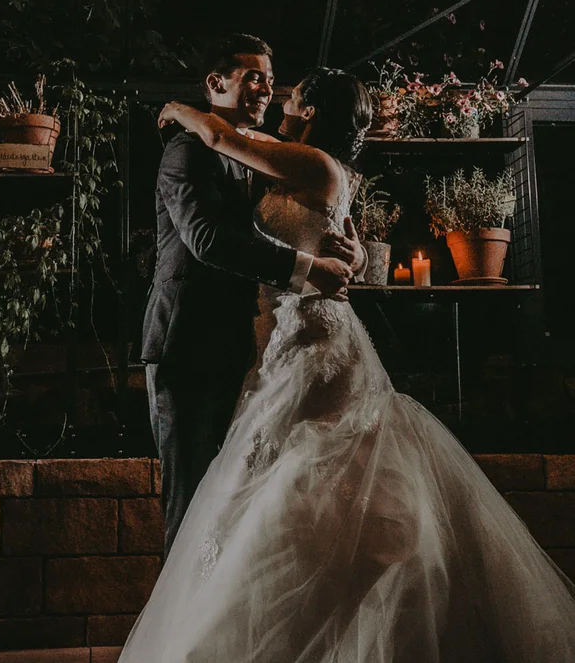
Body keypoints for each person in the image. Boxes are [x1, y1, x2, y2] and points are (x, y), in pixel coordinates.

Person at [121, 67, 575, 663]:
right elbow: (342, 240)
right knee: (289, 474)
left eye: (291, 95)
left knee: (308, 466)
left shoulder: (313, 163)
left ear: (310, 110)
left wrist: (179, 110)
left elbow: (221, 137)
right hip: (282, 333)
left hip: (313, 336)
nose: (280, 101)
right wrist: (354, 254)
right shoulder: (314, 165)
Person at [141, 35, 367, 556]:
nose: (268, 89)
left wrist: (354, 255)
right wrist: (310, 268)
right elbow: (207, 240)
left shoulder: (265, 153)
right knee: (191, 503)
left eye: (272, 80)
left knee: (239, 506)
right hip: (189, 342)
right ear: (215, 82)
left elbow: (332, 225)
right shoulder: (187, 149)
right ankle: (182, 609)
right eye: (254, 77)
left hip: (251, 351)